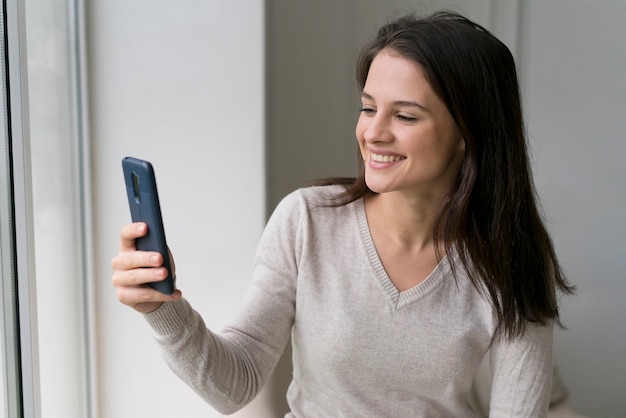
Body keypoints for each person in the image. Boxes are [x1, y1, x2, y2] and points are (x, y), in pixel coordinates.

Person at [112, 11, 574, 417]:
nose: (373, 132)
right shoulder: (305, 222)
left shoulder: (510, 261)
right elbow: (235, 384)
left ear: (468, 135)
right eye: (368, 107)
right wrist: (161, 310)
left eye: (405, 117)